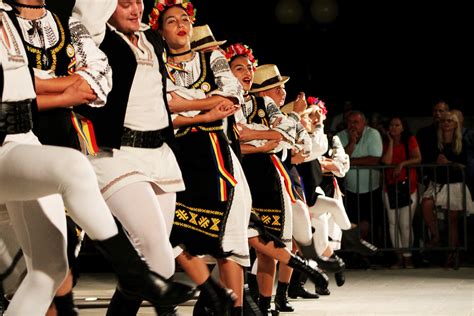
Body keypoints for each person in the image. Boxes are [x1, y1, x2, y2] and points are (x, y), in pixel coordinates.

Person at [1, 3, 192, 314]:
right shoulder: (9, 18)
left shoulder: (54, 23)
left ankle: (137, 276)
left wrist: (53, 87)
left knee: (48, 269)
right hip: (13, 143)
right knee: (74, 170)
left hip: (31, 141)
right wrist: (66, 91)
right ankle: (134, 273)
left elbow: (97, 77)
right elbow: (16, 85)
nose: (134, 7)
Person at [72, 0, 199, 314]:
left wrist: (206, 102)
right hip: (117, 154)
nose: (134, 9)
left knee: (152, 261)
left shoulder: (151, 39)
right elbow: (85, 14)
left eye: (137, 2)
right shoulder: (98, 37)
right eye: (124, 4)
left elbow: (164, 91)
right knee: (158, 255)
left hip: (159, 154)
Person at [153, 2, 251, 314]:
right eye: (171, 20)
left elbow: (232, 94)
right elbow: (160, 108)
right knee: (172, 231)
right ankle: (207, 295)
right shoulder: (156, 64)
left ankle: (230, 308)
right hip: (175, 153)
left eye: (185, 18)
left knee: (230, 236)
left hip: (216, 153)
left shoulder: (212, 58)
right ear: (161, 31)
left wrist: (185, 104)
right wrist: (206, 111)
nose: (180, 24)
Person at [227, 50, 328, 314]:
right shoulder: (227, 103)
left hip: (266, 177)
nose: (247, 73)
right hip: (238, 173)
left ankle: (264, 302)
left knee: (268, 244)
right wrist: (263, 142)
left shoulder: (265, 106)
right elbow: (234, 141)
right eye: (239, 69)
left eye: (249, 68)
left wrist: (254, 136)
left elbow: (290, 135)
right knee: (240, 241)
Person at [420, 111, 473, 267]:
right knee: (426, 204)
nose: (446, 123)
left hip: (455, 183)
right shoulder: (435, 141)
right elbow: (427, 160)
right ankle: (436, 236)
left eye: (449, 121)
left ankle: (452, 254)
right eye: (443, 121)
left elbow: (466, 165)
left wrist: (449, 162)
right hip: (438, 181)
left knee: (452, 220)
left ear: (455, 123)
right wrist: (436, 161)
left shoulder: (462, 141)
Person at [336, 110, 383, 244]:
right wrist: (352, 142)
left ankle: (369, 254)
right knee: (351, 224)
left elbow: (374, 159)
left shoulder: (373, 134)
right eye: (350, 122)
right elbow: (339, 160)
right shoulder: (340, 136)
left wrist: (349, 162)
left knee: (369, 224)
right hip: (349, 190)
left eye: (356, 122)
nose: (352, 125)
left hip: (371, 190)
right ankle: (355, 255)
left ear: (364, 123)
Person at [380, 116, 421, 268]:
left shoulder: (410, 140)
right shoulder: (385, 142)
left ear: (403, 127)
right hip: (390, 188)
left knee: (405, 223)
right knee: (393, 223)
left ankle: (407, 256)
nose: (393, 128)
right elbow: (386, 161)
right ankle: (398, 256)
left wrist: (402, 164)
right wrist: (390, 142)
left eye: (397, 125)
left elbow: (418, 158)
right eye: (391, 125)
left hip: (408, 187)